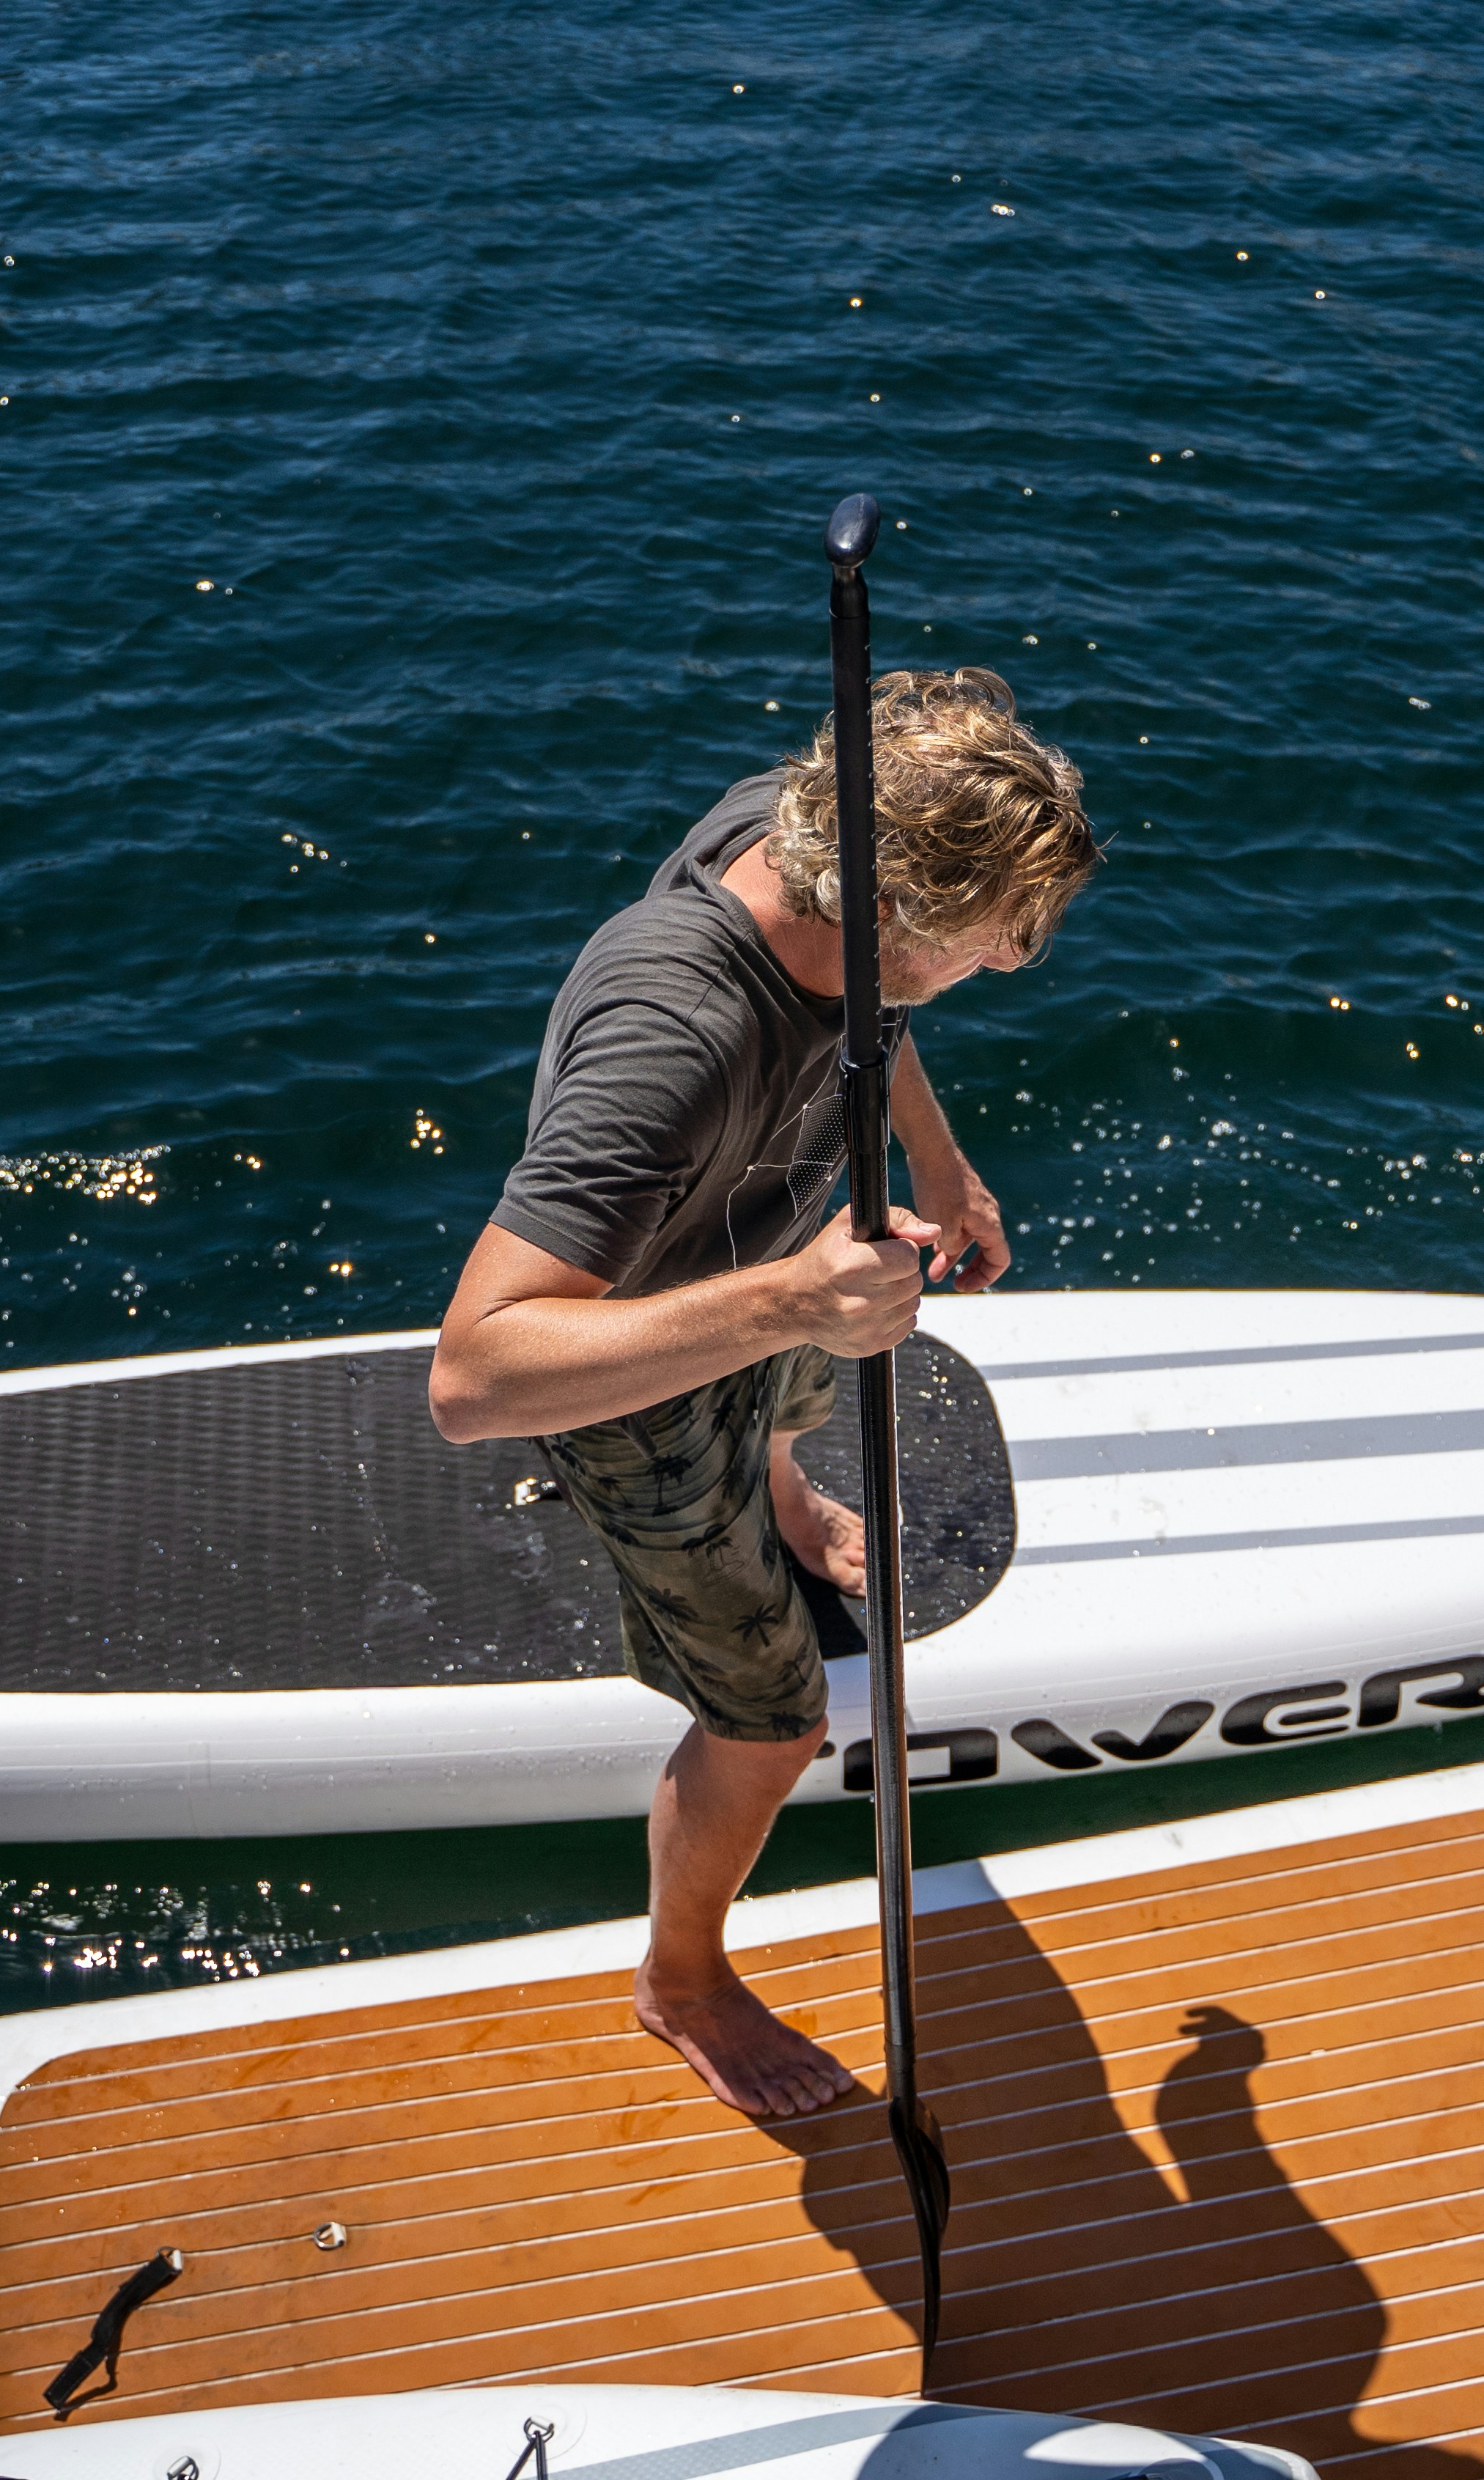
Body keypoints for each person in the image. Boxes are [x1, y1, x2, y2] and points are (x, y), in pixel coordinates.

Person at [429, 669, 1097, 2118]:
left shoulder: (806, 828)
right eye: (993, 949)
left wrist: (933, 1163)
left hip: (769, 1246)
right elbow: (474, 1375)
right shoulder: (673, 1042)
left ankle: (785, 1499)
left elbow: (882, 1013)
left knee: (811, 1375)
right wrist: (788, 1296)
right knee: (771, 1721)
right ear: (895, 917)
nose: (1009, 964)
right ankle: (678, 1981)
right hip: (640, 1386)